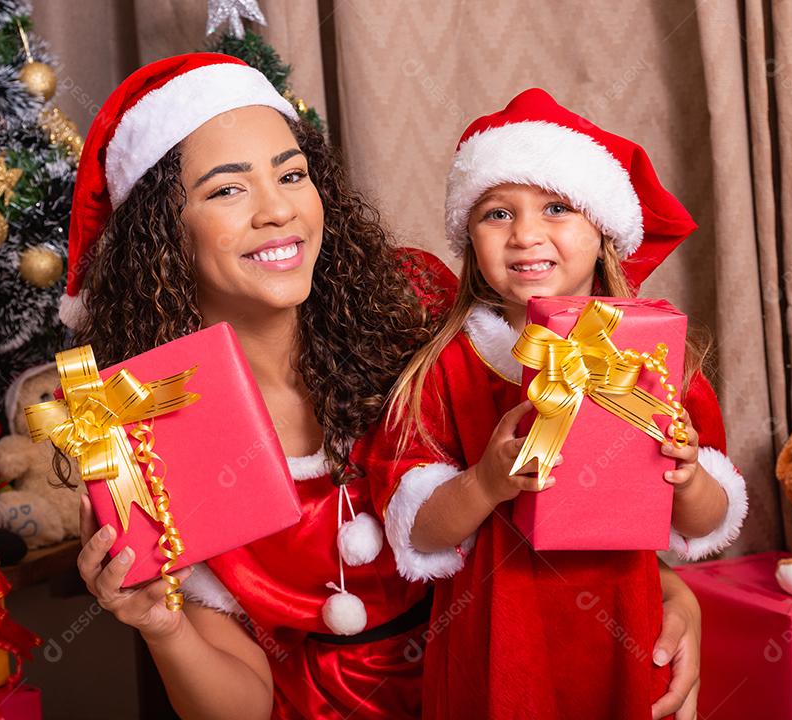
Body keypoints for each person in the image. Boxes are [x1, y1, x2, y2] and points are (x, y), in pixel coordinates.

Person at [68, 57, 706, 719]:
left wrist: (665, 590)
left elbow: (579, 470)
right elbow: (243, 707)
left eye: (292, 175)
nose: (279, 209)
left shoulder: (420, 308)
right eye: (227, 190)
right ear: (162, 233)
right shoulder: (148, 430)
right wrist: (161, 626)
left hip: (503, 682)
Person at [364, 88, 749, 720]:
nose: (526, 235)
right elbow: (417, 532)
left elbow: (707, 525)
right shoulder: (446, 365)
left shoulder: (652, 361)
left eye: (557, 207)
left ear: (603, 231)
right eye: (496, 213)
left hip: (624, 633)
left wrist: (687, 476)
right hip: (494, 639)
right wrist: (487, 482)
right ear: (468, 237)